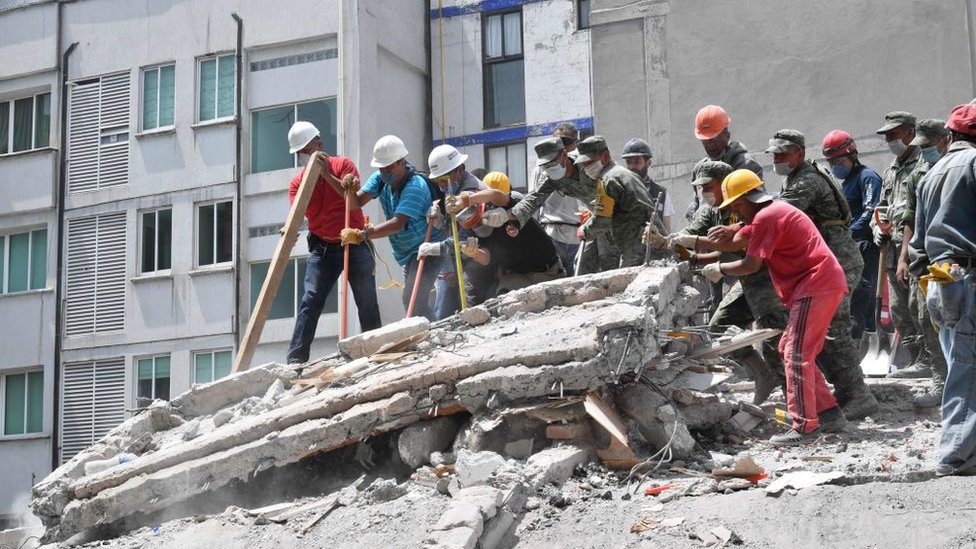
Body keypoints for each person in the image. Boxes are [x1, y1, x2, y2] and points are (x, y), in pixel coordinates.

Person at [701, 169, 849, 445]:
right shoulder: (771, 211)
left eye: (736, 205)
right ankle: (829, 413)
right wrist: (705, 240)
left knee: (795, 353)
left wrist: (719, 268)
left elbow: (750, 264)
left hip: (816, 284)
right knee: (789, 349)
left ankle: (804, 426)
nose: (735, 212)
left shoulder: (767, 217)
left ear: (748, 199)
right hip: (820, 283)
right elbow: (739, 235)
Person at [762, 129, 877, 419]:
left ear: (799, 153)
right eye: (774, 155)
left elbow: (780, 215)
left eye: (782, 154)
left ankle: (858, 395)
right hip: (831, 262)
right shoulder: (800, 177)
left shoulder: (806, 181)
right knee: (823, 333)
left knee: (834, 331)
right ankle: (842, 393)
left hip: (837, 261)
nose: (777, 159)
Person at [667, 161, 784, 404]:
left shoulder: (755, 205)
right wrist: (669, 242)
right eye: (701, 188)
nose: (704, 193)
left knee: (777, 338)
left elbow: (742, 249)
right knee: (719, 326)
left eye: (709, 186)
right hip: (745, 279)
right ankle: (764, 375)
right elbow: (693, 236)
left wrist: (718, 262)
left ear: (725, 182)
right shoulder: (712, 211)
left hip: (769, 278)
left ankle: (798, 399)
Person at [909, 103, 976, 475]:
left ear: (950, 137)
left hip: (940, 280)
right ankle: (955, 456)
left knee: (960, 363)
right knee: (968, 369)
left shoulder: (930, 175)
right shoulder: (974, 164)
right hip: (968, 277)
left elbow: (917, 244)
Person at [284, 122, 381, 365]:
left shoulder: (343, 166)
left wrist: (327, 175)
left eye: (306, 150)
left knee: (366, 298)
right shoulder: (298, 184)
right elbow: (298, 214)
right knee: (311, 299)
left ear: (319, 144)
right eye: (300, 153)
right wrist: (289, 228)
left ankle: (376, 351)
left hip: (354, 241)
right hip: (323, 248)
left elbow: (353, 203)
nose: (303, 157)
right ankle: (296, 360)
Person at [340, 135, 442, 321]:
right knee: (415, 298)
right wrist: (349, 189)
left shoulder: (415, 186)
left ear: (402, 162)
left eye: (389, 167)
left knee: (414, 299)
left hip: (430, 248)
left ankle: (431, 337)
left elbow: (398, 223)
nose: (385, 172)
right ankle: (430, 333)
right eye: (381, 167)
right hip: (409, 253)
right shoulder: (380, 179)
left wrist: (364, 235)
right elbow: (355, 204)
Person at [871, 111, 930, 375]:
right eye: (886, 137)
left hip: (915, 250)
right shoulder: (890, 170)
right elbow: (881, 208)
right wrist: (876, 228)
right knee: (897, 308)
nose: (889, 141)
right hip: (891, 250)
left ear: (909, 133)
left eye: (893, 135)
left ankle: (930, 360)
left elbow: (919, 209)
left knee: (920, 307)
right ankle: (916, 357)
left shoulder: (924, 164)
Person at [900, 119, 951, 407]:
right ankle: (940, 379)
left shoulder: (962, 166)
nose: (923, 152)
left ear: (944, 139)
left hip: (954, 255)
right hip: (925, 255)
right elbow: (910, 217)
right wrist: (904, 256)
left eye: (928, 146)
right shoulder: (919, 173)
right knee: (923, 316)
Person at [821, 130, 882, 340]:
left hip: (863, 245)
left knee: (862, 292)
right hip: (848, 247)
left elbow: (870, 211)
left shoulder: (868, 177)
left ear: (853, 155)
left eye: (839, 160)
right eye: (831, 162)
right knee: (849, 294)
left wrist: (848, 234)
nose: (835, 166)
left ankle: (863, 336)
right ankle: (853, 337)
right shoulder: (846, 183)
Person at [426, 144, 487, 318]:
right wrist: (440, 220)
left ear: (460, 169)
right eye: (438, 180)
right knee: (444, 310)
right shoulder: (453, 186)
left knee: (471, 310)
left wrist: (436, 248)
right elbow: (452, 225)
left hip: (479, 259)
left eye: (444, 178)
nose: (441, 184)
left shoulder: (470, 193)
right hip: (461, 258)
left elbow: (463, 236)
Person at [574, 136, 655, 268]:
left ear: (605, 156)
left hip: (638, 247)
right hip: (645, 243)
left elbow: (602, 220)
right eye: (584, 164)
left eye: (589, 162)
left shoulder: (608, 180)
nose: (585, 168)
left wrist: (586, 231)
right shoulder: (620, 174)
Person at [684, 105, 763, 222]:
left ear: (726, 136)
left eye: (713, 139)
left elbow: (755, 210)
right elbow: (695, 207)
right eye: (705, 140)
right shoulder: (699, 169)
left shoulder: (745, 166)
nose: (709, 145)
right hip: (704, 234)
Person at [528, 123, 588, 276]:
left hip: (580, 235)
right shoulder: (542, 167)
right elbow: (532, 204)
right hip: (552, 234)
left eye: (566, 142)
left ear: (576, 143)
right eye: (556, 142)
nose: (561, 146)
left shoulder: (586, 166)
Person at [621, 138, 674, 232]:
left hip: (652, 245)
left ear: (648, 163)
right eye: (629, 162)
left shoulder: (661, 193)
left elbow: (667, 229)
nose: (632, 167)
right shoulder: (619, 190)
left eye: (637, 162)